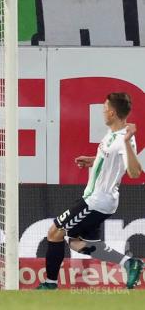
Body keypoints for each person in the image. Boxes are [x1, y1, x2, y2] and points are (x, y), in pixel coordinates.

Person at [37, 93, 143, 290]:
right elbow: (112, 162)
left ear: (112, 112)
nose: (103, 112)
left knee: (55, 232)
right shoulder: (112, 134)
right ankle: (129, 263)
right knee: (77, 242)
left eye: (104, 108)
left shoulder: (124, 139)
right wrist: (94, 162)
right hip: (98, 199)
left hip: (97, 201)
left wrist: (128, 141)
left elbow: (135, 172)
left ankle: (50, 284)